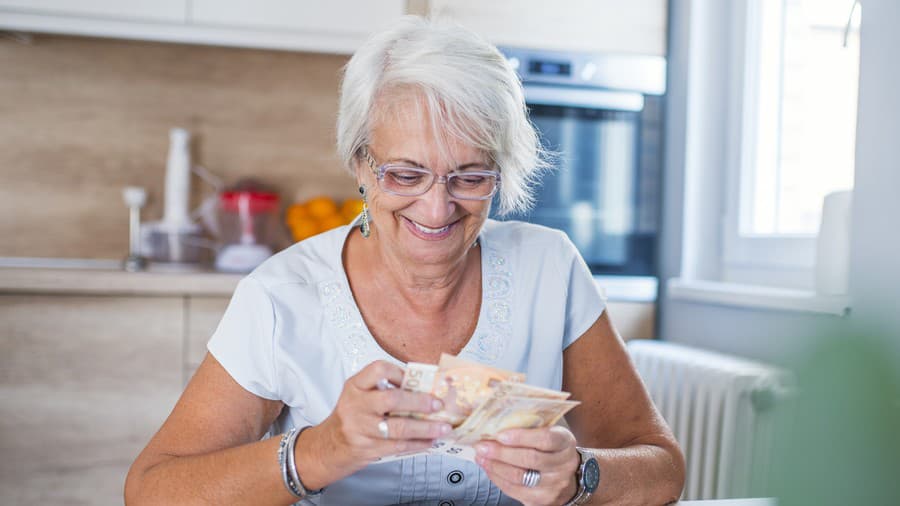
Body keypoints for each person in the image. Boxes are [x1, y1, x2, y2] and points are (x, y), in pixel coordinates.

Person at [125, 16, 685, 506]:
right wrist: (321, 451)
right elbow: (152, 490)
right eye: (406, 174)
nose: (437, 208)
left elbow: (662, 469)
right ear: (361, 166)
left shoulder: (550, 268)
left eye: (470, 176)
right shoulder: (281, 295)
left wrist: (580, 476)